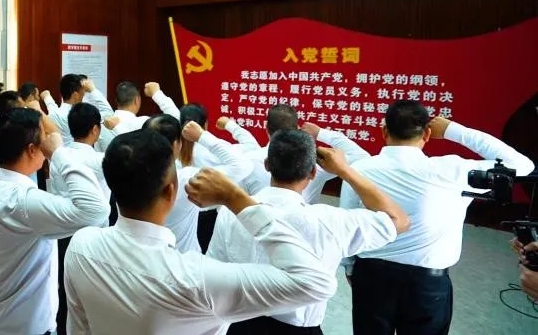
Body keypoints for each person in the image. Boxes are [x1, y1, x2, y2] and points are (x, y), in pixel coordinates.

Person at [62, 130, 337, 335]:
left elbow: (78, 326)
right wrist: (237, 200)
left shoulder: (81, 244)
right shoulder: (196, 278)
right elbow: (315, 283)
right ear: (171, 191)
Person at [341, 101, 535, 335]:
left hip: (371, 276)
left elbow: (347, 224)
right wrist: (454, 130)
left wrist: (350, 269)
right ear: (427, 134)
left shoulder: (360, 169)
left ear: (384, 131)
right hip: (428, 284)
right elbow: (522, 166)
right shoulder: (453, 170)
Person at [209, 130, 409, 335]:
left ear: (267, 165)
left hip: (238, 323)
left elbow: (213, 273)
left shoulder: (231, 213)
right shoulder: (330, 221)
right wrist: (345, 171)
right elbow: (399, 220)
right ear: (313, 173)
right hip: (297, 329)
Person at [0, 108, 110, 335]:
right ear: (33, 149)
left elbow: (1, 162)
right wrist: (59, 154)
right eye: (44, 140)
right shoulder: (25, 203)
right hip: (26, 327)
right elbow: (96, 210)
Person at [143, 114, 252, 253]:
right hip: (183, 260)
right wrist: (202, 136)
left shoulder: (127, 172)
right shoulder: (183, 180)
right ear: (177, 144)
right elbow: (242, 166)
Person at [47, 103, 110, 335]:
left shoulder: (57, 156)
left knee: (64, 292)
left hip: (61, 233)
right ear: (95, 129)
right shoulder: (100, 161)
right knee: (89, 297)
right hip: (93, 238)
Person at [238, 105, 370, 204]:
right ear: (312, 172)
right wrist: (320, 133)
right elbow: (360, 157)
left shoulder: (247, 161)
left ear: (267, 164)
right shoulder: (314, 160)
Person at [96, 81, 182, 152]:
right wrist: (156, 93)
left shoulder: (101, 124)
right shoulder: (144, 123)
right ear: (137, 100)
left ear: (116, 101)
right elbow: (175, 122)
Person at [44, 74, 113, 145]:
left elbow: (51, 106)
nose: (84, 95)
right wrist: (93, 89)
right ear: (75, 95)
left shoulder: (53, 114)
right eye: (83, 93)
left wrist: (47, 97)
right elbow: (108, 114)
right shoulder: (81, 116)